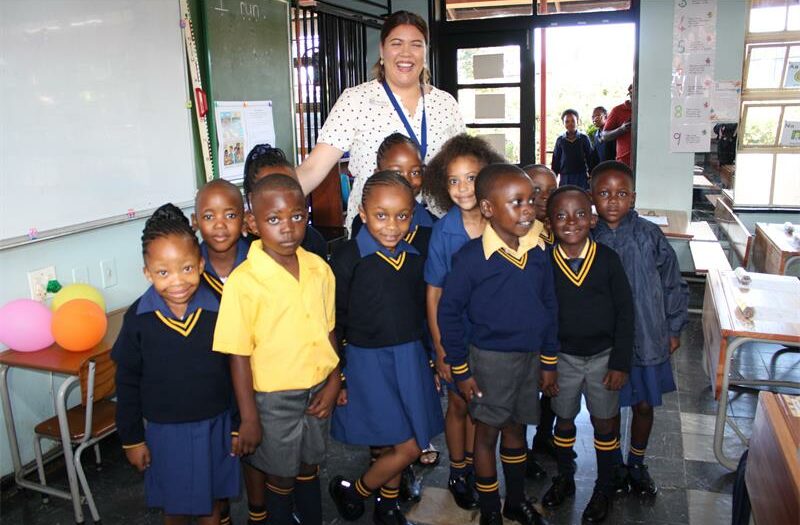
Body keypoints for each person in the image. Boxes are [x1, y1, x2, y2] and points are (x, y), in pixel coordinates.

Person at [213, 175, 342, 525]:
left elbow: (328, 330)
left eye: (297, 216)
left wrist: (334, 382)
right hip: (272, 399)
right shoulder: (244, 281)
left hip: (317, 390)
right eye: (274, 219)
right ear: (253, 224)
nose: (288, 228)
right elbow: (237, 354)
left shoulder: (319, 269)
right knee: (280, 476)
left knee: (309, 466)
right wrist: (249, 417)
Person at [438, 164, 556, 525]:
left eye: (530, 201)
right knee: (487, 434)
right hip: (489, 362)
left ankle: (515, 501)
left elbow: (550, 305)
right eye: (516, 202)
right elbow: (449, 314)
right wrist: (460, 369)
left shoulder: (537, 251)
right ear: (488, 209)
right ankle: (490, 510)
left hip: (528, 360)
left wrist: (549, 361)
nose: (528, 210)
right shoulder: (472, 259)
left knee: (517, 429)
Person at [328, 171, 444, 525]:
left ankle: (386, 505)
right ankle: (356, 490)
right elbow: (335, 320)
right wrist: (340, 374)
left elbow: (421, 313)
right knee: (406, 443)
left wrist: (429, 357)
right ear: (362, 213)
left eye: (402, 216)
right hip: (367, 363)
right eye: (381, 215)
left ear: (413, 214)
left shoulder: (414, 257)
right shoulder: (348, 258)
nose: (392, 225)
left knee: (400, 439)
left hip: (409, 358)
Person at [112, 203, 240, 525]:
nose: (177, 282)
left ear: (200, 263)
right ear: (147, 272)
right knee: (176, 509)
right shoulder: (138, 319)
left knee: (212, 506)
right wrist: (132, 438)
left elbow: (236, 371)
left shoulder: (219, 308)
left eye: (186, 268)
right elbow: (126, 382)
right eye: (163, 272)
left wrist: (238, 424)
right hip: (165, 434)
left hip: (216, 425)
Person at [295, 10, 465, 231]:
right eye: (396, 43)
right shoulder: (355, 100)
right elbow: (313, 169)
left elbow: (464, 168)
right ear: (382, 51)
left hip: (437, 231)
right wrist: (269, 204)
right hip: (375, 231)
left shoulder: (445, 103)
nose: (406, 53)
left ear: (425, 52)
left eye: (416, 44)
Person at [590, 161, 689, 497]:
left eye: (621, 194)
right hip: (606, 343)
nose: (613, 201)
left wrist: (673, 327)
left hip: (648, 336)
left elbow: (673, 283)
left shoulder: (649, 235)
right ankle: (614, 463)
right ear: (592, 197)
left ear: (632, 197)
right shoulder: (588, 237)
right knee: (610, 406)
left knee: (644, 404)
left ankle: (637, 462)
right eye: (604, 193)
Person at [540, 185, 634, 523]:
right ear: (548, 223)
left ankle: (605, 487)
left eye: (580, 213)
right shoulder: (544, 263)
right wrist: (546, 364)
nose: (571, 221)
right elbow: (541, 317)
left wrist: (620, 362)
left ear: (592, 219)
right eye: (561, 215)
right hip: (562, 358)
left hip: (603, 357)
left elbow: (626, 312)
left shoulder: (608, 260)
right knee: (563, 418)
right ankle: (564, 477)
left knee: (603, 422)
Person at [422, 134, 505, 510]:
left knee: (481, 405)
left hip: (494, 340)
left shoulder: (502, 223)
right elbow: (434, 293)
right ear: (443, 184)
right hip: (456, 338)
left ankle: (475, 464)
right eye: (453, 180)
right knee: (457, 405)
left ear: (487, 177)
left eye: (471, 177)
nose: (462, 188)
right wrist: (440, 348)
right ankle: (458, 470)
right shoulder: (444, 231)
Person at [521, 164, 559, 466]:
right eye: (537, 191)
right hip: (528, 331)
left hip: (555, 329)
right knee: (525, 395)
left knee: (551, 390)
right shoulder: (521, 233)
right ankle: (520, 453)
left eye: (551, 192)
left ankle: (545, 437)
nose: (544, 198)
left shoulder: (561, 227)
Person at [351, 132, 434, 252]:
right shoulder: (363, 223)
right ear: (378, 174)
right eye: (397, 173)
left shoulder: (433, 225)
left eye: (415, 172)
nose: (407, 180)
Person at [243, 144, 328, 260]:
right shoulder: (240, 247)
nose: (282, 196)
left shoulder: (313, 240)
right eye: (271, 188)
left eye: (290, 185)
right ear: (252, 199)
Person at [192, 179, 248, 299]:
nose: (220, 225)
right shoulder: (189, 269)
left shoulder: (259, 260)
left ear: (244, 219)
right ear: (195, 221)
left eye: (230, 215)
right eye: (209, 217)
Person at [551, 109, 592, 190]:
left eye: (573, 121)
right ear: (563, 123)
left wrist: (592, 174)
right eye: (567, 121)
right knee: (565, 197)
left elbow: (590, 157)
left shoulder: (584, 138)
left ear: (578, 122)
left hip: (581, 176)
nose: (570, 124)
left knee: (581, 198)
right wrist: (553, 176)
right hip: (565, 177)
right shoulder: (560, 140)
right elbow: (556, 159)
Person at [603, 85, 633, 167]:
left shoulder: (649, 109)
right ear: (629, 93)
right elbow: (604, 136)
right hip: (624, 163)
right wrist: (621, 129)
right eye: (632, 92)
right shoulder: (617, 110)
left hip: (648, 160)